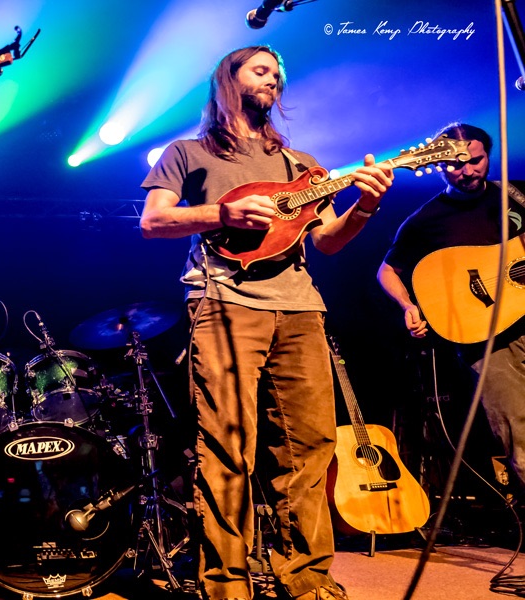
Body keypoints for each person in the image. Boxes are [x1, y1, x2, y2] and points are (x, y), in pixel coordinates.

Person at [139, 45, 393, 600]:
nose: (273, 80)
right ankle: (226, 586)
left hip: (301, 308)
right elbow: (153, 221)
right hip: (223, 301)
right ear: (228, 80)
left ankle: (306, 579)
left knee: (310, 447)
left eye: (278, 74)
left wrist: (366, 207)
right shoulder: (187, 153)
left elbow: (326, 241)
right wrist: (220, 213)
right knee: (229, 446)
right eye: (260, 70)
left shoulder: (302, 166)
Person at [377, 123, 525, 489]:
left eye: (476, 160)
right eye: (457, 165)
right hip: (485, 337)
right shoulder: (427, 219)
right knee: (519, 429)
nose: (468, 170)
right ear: (439, 165)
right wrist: (408, 305)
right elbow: (387, 270)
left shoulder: (516, 195)